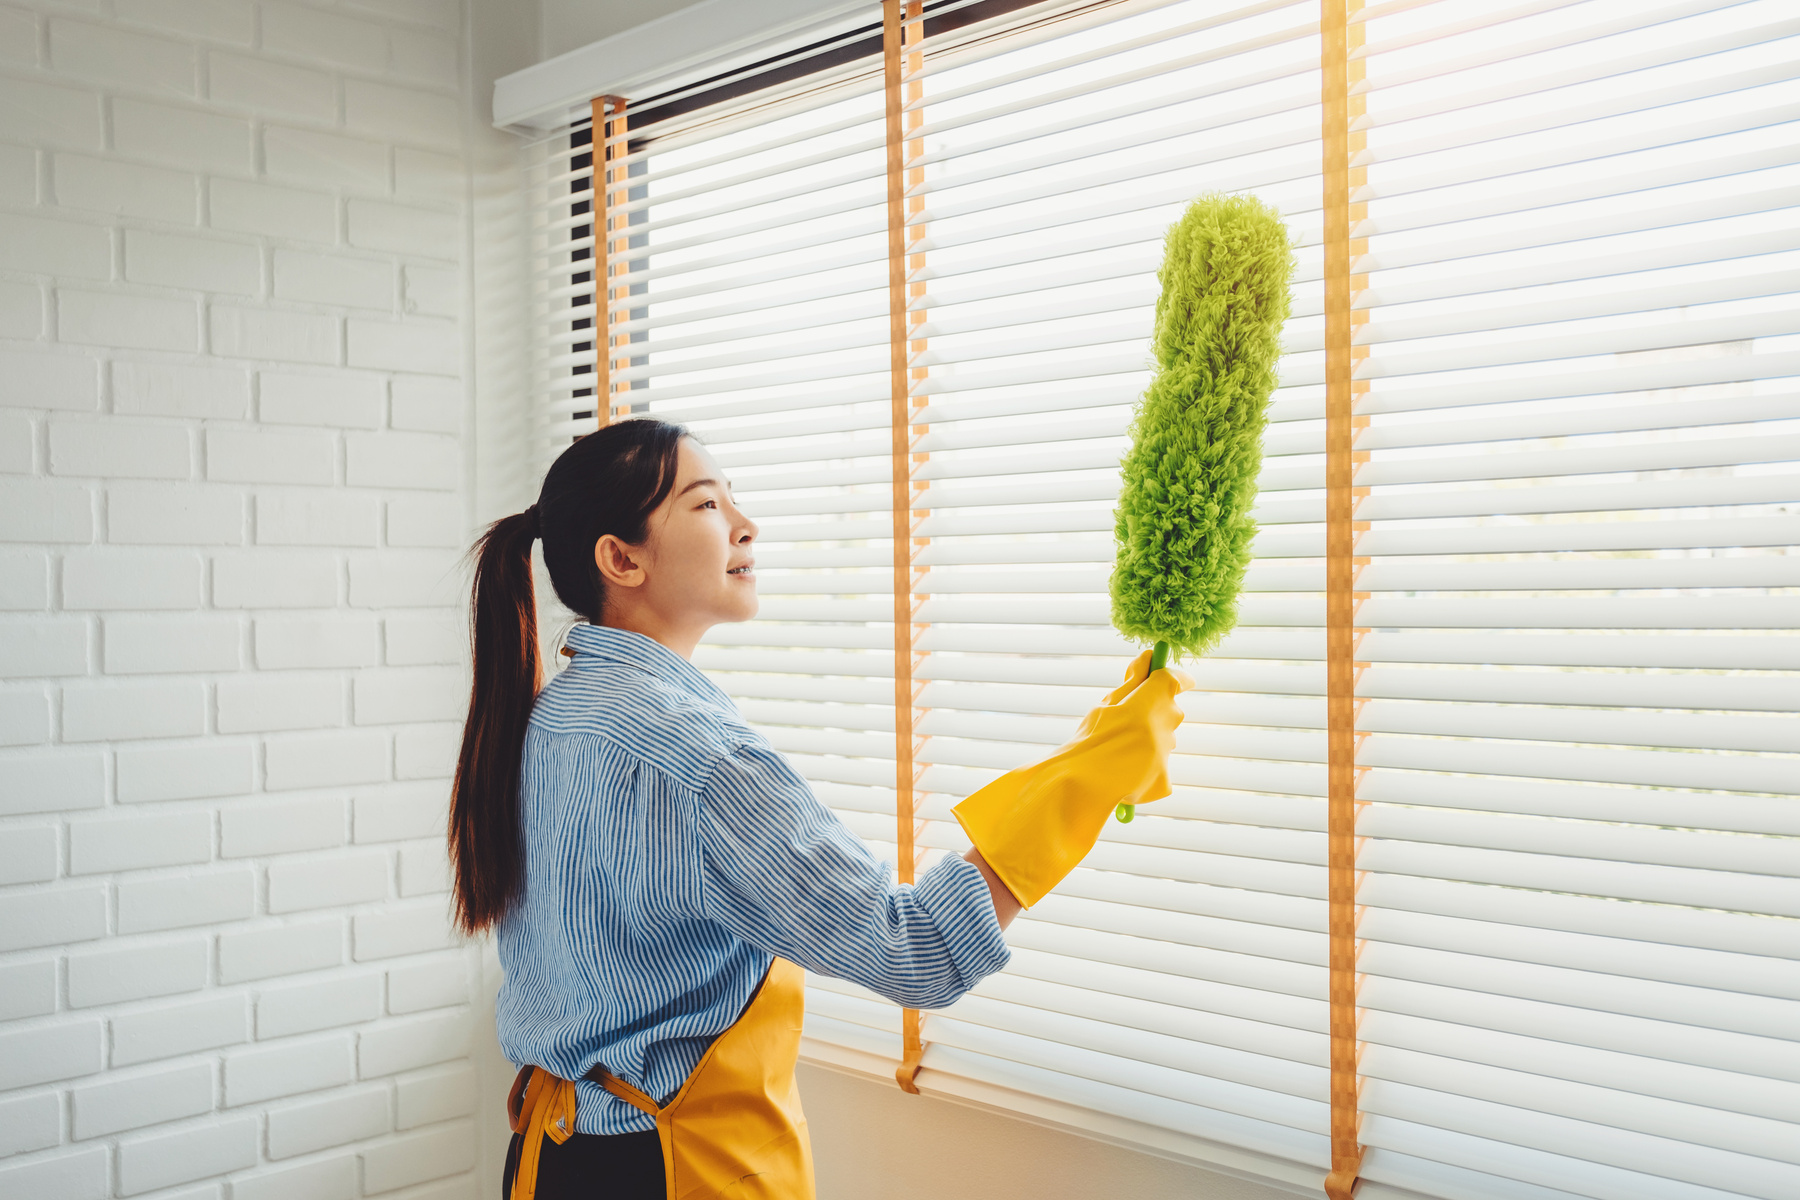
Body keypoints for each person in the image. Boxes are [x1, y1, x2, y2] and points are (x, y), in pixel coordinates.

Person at [449, 417, 1190, 1200]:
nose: (745, 524)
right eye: (705, 505)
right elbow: (920, 949)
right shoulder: (700, 758)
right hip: (671, 1173)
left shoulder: (550, 718)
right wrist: (1093, 775)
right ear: (620, 558)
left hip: (549, 1161)